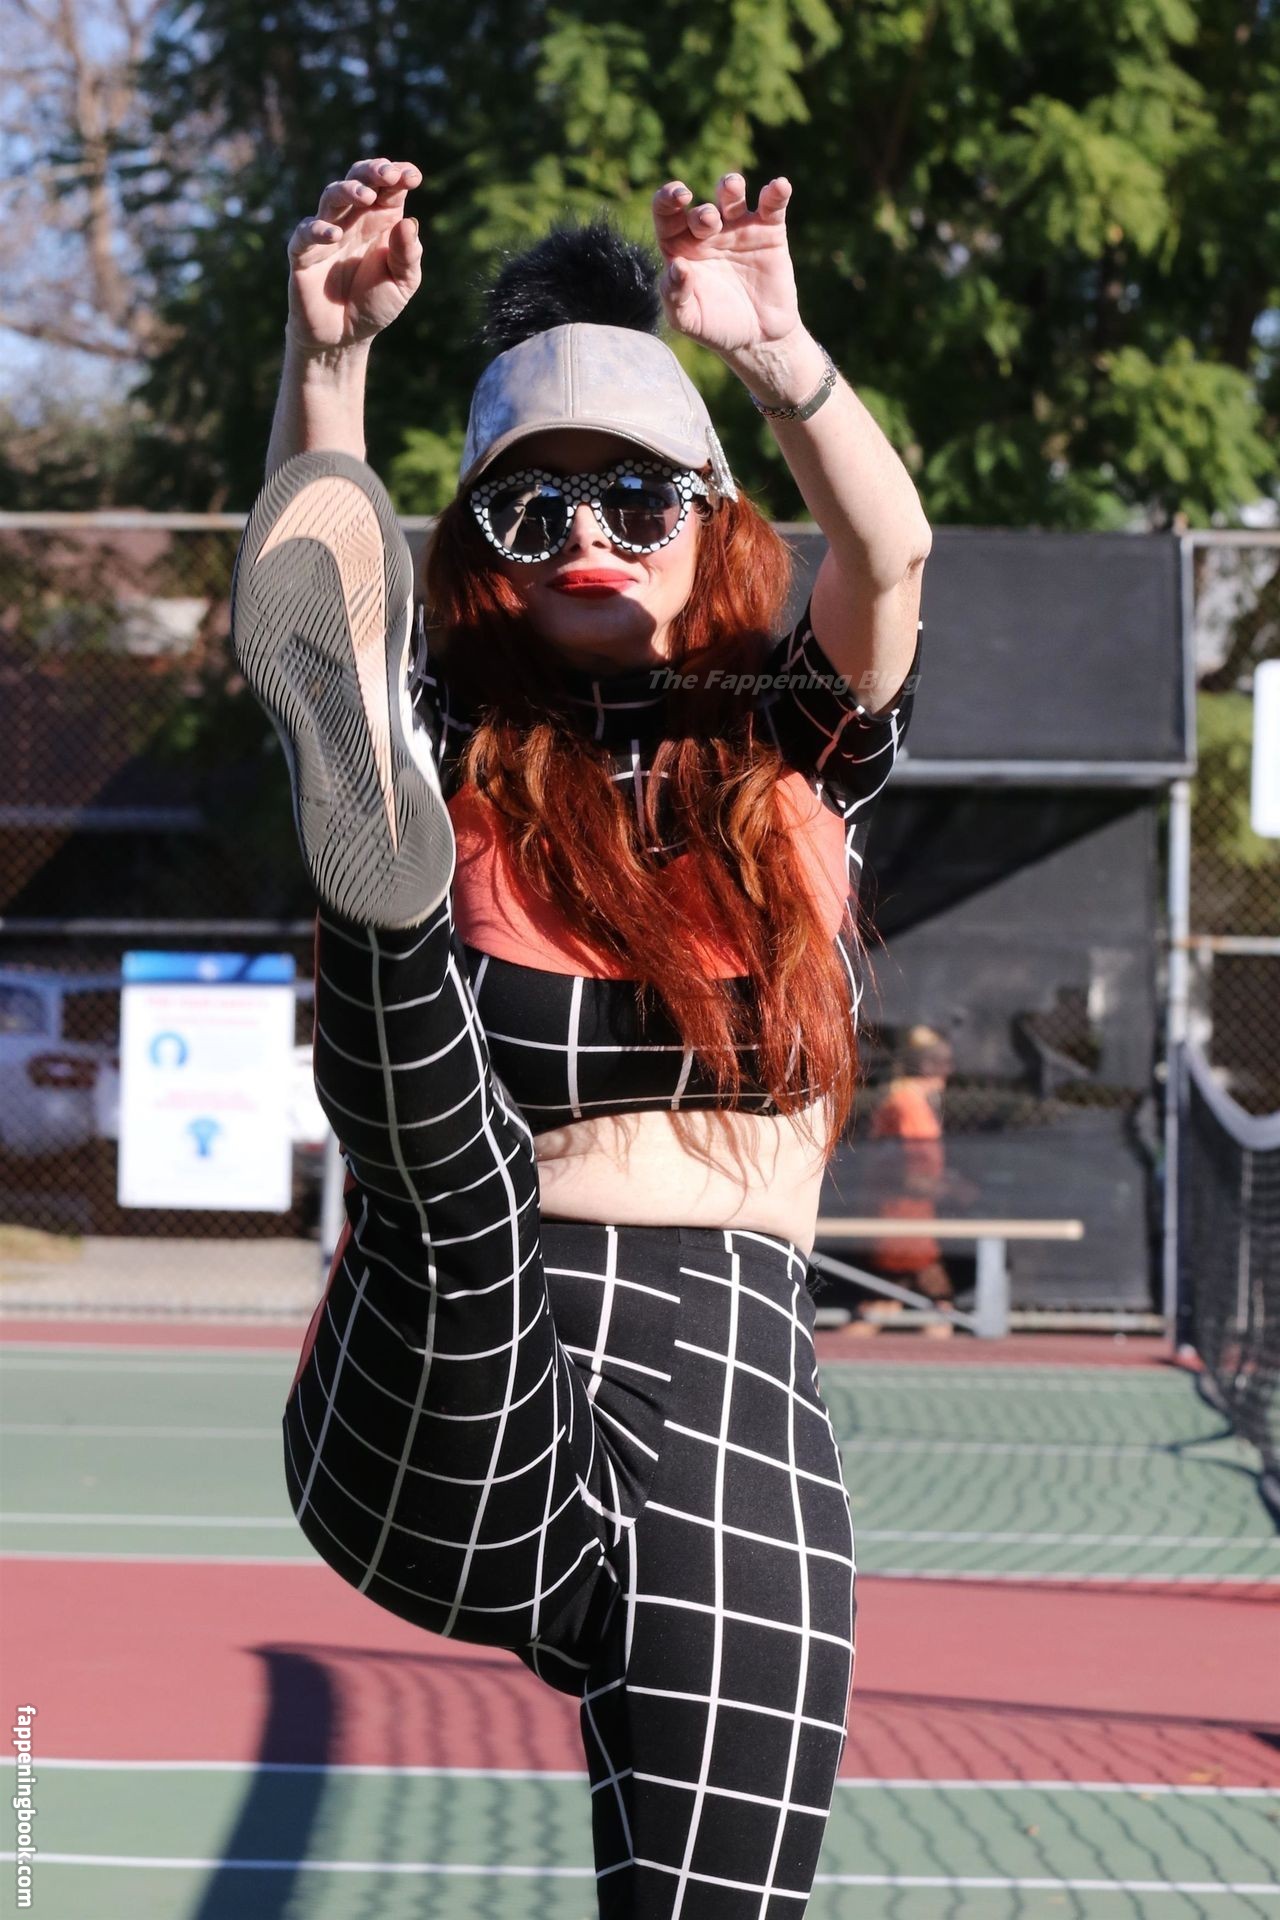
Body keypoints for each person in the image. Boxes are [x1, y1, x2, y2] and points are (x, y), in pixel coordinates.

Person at [232, 154, 931, 1917]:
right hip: (464, 1365)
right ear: (481, 552)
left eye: (632, 496)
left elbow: (890, 551)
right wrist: (329, 364)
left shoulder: (794, 738)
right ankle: (359, 824)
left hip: (734, 1400)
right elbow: (324, 578)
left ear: (712, 516)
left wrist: (774, 354)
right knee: (451, 1168)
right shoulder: (466, 737)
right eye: (531, 512)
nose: (588, 538)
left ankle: (371, 821)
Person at [853, 1026, 960, 1338]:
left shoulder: (905, 1101)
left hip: (909, 1222)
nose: (949, 1070)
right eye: (942, 1062)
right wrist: (952, 1190)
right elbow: (912, 1176)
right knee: (936, 1304)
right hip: (903, 1223)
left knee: (888, 1305)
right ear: (926, 1065)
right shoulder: (908, 1106)